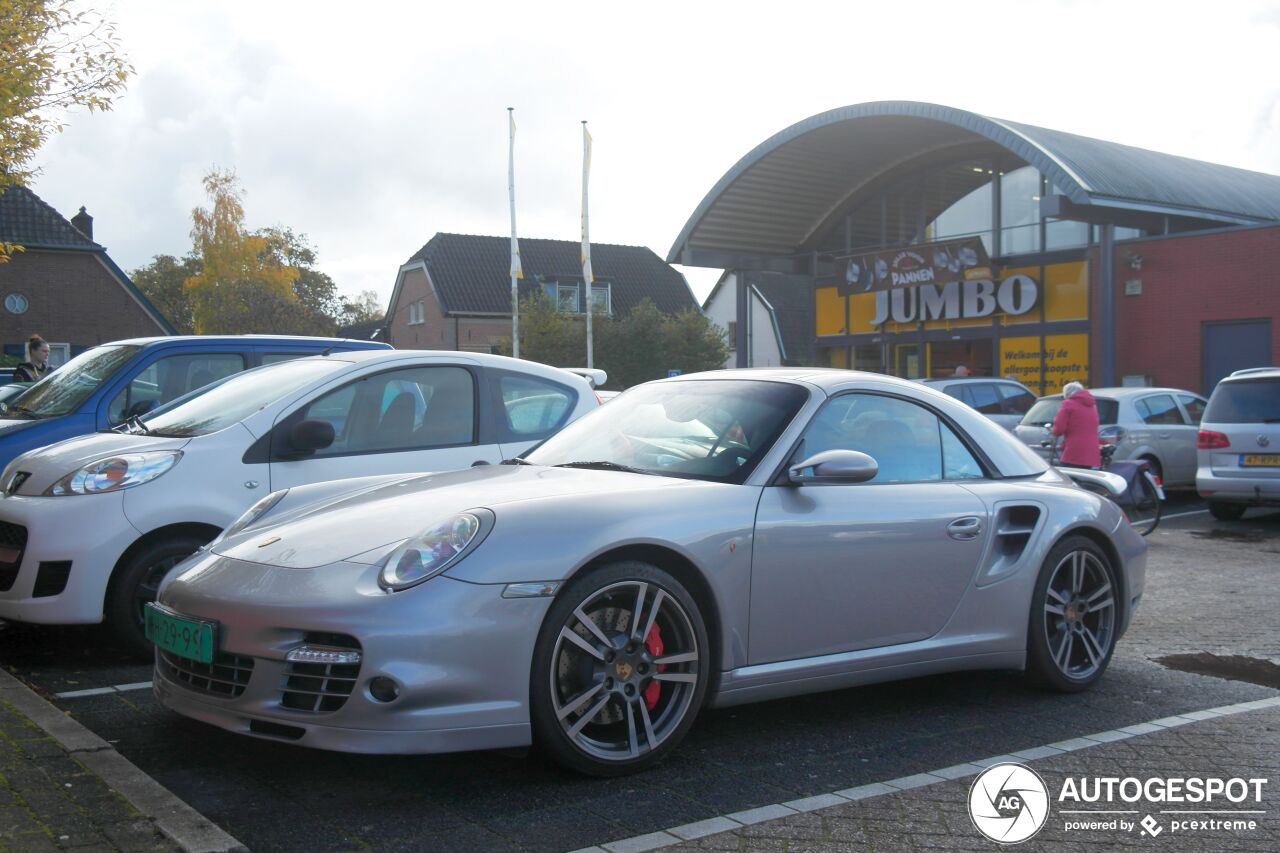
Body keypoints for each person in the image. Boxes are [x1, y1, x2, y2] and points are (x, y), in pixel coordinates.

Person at [1052, 380, 1101, 468]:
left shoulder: (1068, 403)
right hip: (1091, 452)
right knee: (1086, 477)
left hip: (1074, 450)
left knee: (1068, 477)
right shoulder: (1092, 405)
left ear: (1067, 394)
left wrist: (1055, 431)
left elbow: (1059, 428)